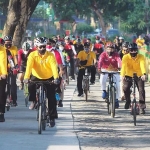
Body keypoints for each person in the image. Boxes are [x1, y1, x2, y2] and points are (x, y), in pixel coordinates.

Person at [24, 37, 59, 127]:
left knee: (51, 97)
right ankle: (33, 101)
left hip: (49, 77)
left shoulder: (50, 55)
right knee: (31, 86)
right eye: (40, 47)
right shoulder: (32, 55)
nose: (42, 48)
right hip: (36, 76)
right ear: (36, 47)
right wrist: (26, 77)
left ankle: (52, 117)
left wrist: (56, 78)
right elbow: (29, 67)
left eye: (44, 46)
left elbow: (54, 68)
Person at [121, 43, 146, 114]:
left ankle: (142, 107)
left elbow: (142, 65)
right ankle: (128, 101)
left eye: (135, 50)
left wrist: (144, 74)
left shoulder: (141, 56)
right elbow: (124, 67)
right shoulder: (125, 57)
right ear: (129, 50)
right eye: (131, 50)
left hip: (139, 75)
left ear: (137, 50)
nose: (133, 52)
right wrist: (122, 75)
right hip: (128, 74)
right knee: (125, 88)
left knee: (141, 90)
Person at [98, 42, 122, 108]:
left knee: (117, 85)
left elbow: (119, 61)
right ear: (106, 48)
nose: (110, 50)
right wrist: (99, 68)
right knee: (102, 79)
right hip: (105, 70)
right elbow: (100, 61)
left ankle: (116, 99)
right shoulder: (103, 54)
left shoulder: (116, 55)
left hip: (115, 70)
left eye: (111, 48)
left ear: (114, 49)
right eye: (108, 48)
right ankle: (104, 91)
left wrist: (120, 67)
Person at [4, 35, 19, 106]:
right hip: (3, 68)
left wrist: (16, 66)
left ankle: (14, 100)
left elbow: (15, 57)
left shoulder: (14, 48)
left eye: (9, 42)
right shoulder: (2, 49)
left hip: (12, 67)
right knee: (4, 84)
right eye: (7, 42)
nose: (8, 44)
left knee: (13, 84)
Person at [0, 45, 7, 122]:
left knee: (1, 94)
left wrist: (4, 74)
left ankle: (1, 113)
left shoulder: (2, 50)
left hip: (1, 74)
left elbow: (2, 62)